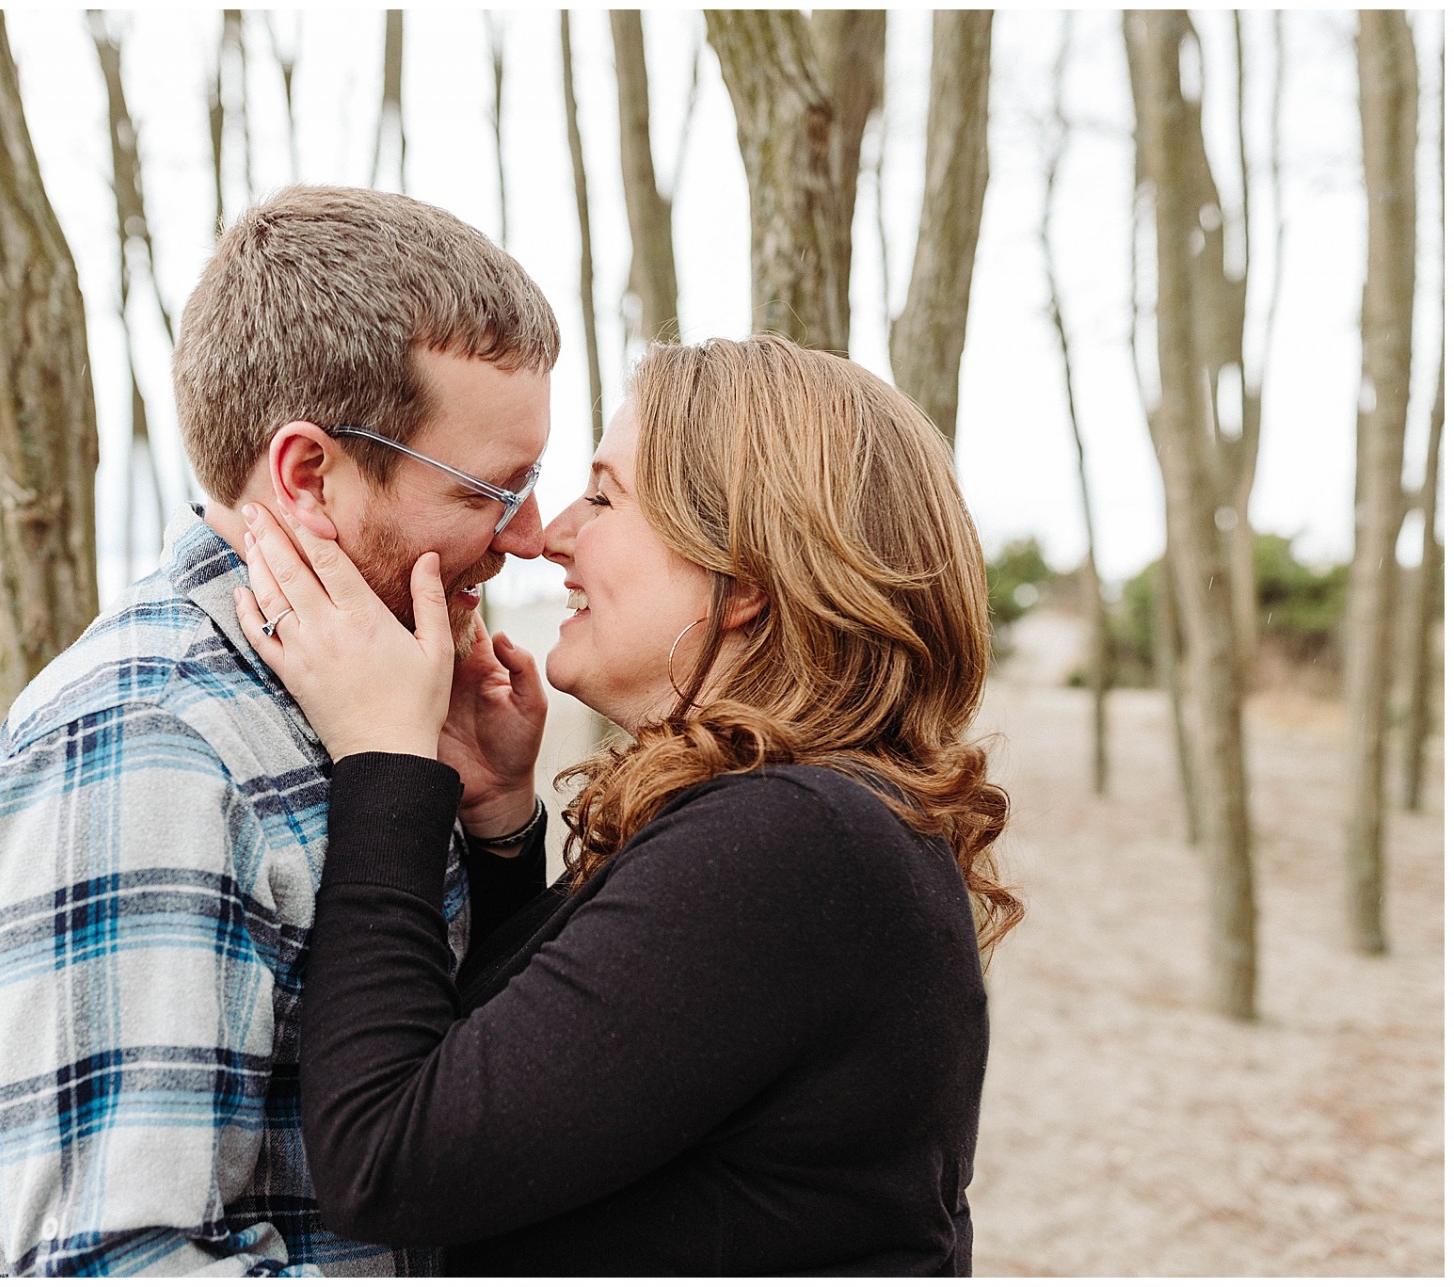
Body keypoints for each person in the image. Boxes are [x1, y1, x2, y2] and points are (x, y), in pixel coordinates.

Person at [232, 334, 1023, 1275]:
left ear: (744, 579)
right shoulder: (817, 824)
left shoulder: (797, 843)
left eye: (604, 496)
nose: (549, 532)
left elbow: (389, 1161)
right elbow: (554, 1090)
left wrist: (385, 761)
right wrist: (497, 824)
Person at [0, 185, 560, 1275]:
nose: (531, 535)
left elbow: (452, 1110)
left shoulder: (378, 698)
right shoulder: (149, 747)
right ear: (310, 474)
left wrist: (498, 834)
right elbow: (119, 1262)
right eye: (491, 490)